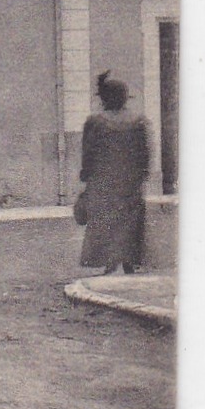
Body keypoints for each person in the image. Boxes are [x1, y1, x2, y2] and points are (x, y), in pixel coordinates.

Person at [79, 71, 151, 275]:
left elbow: (89, 151)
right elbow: (144, 152)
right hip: (130, 181)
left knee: (106, 220)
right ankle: (128, 261)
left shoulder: (96, 122)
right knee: (129, 222)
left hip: (103, 182)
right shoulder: (138, 121)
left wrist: (86, 174)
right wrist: (142, 174)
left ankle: (110, 262)